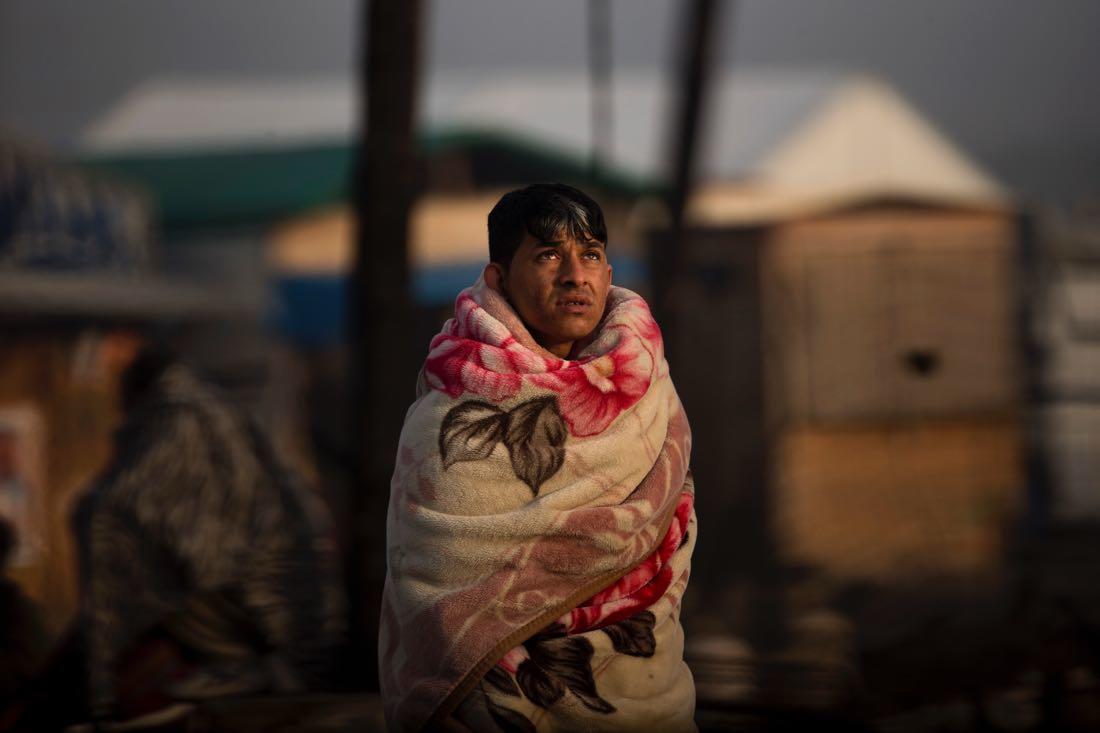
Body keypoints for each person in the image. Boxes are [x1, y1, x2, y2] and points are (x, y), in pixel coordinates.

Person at [380, 183, 697, 731]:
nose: (575, 275)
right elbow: (434, 575)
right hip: (494, 700)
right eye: (549, 255)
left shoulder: (648, 385)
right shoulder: (451, 413)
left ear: (608, 273)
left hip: (645, 690)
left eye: (590, 255)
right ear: (499, 278)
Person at [63, 346, 345, 725]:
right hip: (273, 623)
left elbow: (111, 514)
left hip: (253, 627)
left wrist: (98, 688)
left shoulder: (181, 419)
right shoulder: (210, 414)